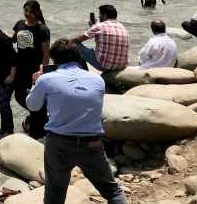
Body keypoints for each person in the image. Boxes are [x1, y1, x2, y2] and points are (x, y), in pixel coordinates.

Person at [26, 39, 127, 204]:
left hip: (59, 142)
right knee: (112, 192)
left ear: (54, 60)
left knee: (54, 195)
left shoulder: (47, 79)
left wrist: (35, 82)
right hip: (92, 141)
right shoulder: (97, 80)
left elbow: (33, 106)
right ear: (78, 56)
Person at [12, 0, 51, 115]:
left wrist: (42, 71)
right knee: (19, 95)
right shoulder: (19, 24)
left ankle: (38, 117)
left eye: (31, 11)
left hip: (35, 69)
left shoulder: (42, 29)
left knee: (35, 96)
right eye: (26, 10)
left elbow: (46, 53)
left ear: (37, 12)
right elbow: (13, 39)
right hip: (20, 67)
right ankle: (36, 114)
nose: (27, 13)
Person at [73, 5, 129, 72]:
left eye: (100, 14)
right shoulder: (122, 27)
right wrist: (93, 26)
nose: (99, 17)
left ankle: (84, 74)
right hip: (121, 66)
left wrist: (63, 43)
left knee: (74, 45)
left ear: (105, 15)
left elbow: (77, 40)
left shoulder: (100, 26)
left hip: (105, 66)